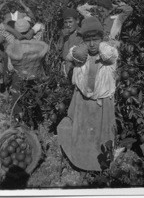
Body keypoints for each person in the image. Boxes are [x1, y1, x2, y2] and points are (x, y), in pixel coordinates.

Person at [57, 16, 120, 171]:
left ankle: (100, 166)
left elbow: (109, 55)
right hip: (82, 99)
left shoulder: (108, 51)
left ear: (101, 38)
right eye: (88, 40)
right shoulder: (82, 54)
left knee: (101, 135)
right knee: (83, 133)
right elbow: (70, 56)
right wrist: (81, 47)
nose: (92, 44)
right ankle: (82, 162)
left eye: (95, 39)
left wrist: (103, 44)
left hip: (102, 101)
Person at [56, 8, 83, 79]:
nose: (68, 25)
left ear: (77, 21)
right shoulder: (64, 33)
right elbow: (58, 50)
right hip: (64, 68)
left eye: (70, 22)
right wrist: (62, 37)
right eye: (65, 22)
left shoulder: (82, 33)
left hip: (76, 69)